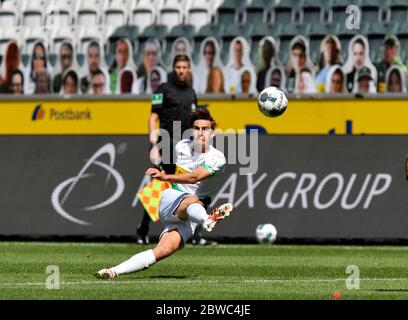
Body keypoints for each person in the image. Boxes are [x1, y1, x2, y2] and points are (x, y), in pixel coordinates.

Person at [96, 108, 233, 279]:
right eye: (196, 129)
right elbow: (180, 175)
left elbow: (193, 177)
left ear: (212, 133)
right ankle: (208, 219)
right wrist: (159, 165)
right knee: (192, 201)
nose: (200, 133)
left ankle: (113, 271)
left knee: (162, 251)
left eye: (205, 129)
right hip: (172, 199)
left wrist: (165, 176)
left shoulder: (217, 158)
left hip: (191, 216)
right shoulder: (182, 146)